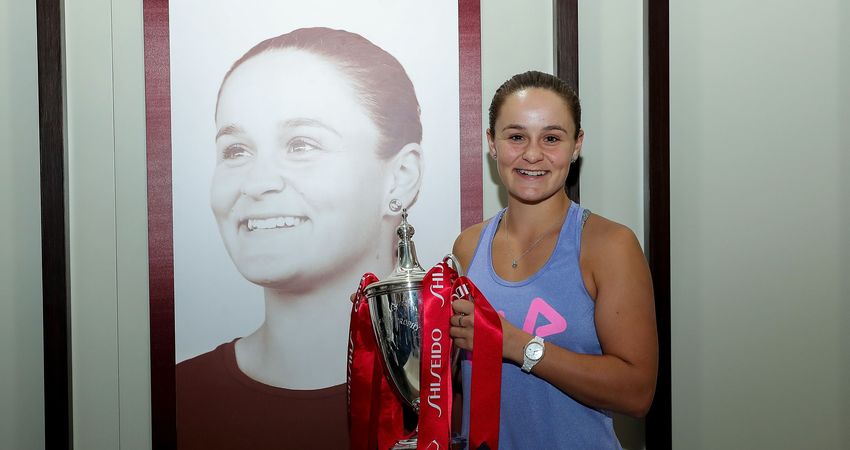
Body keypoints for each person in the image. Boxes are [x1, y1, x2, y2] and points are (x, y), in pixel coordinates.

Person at [176, 27, 424, 450]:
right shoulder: (175, 399)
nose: (257, 182)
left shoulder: (466, 384)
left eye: (302, 144)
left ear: (400, 178)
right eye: (235, 150)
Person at [449, 71, 658, 449]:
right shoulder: (467, 247)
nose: (532, 154)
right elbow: (466, 379)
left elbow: (637, 393)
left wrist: (517, 345)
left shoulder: (610, 246)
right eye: (515, 137)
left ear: (576, 145)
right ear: (491, 144)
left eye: (551, 138)